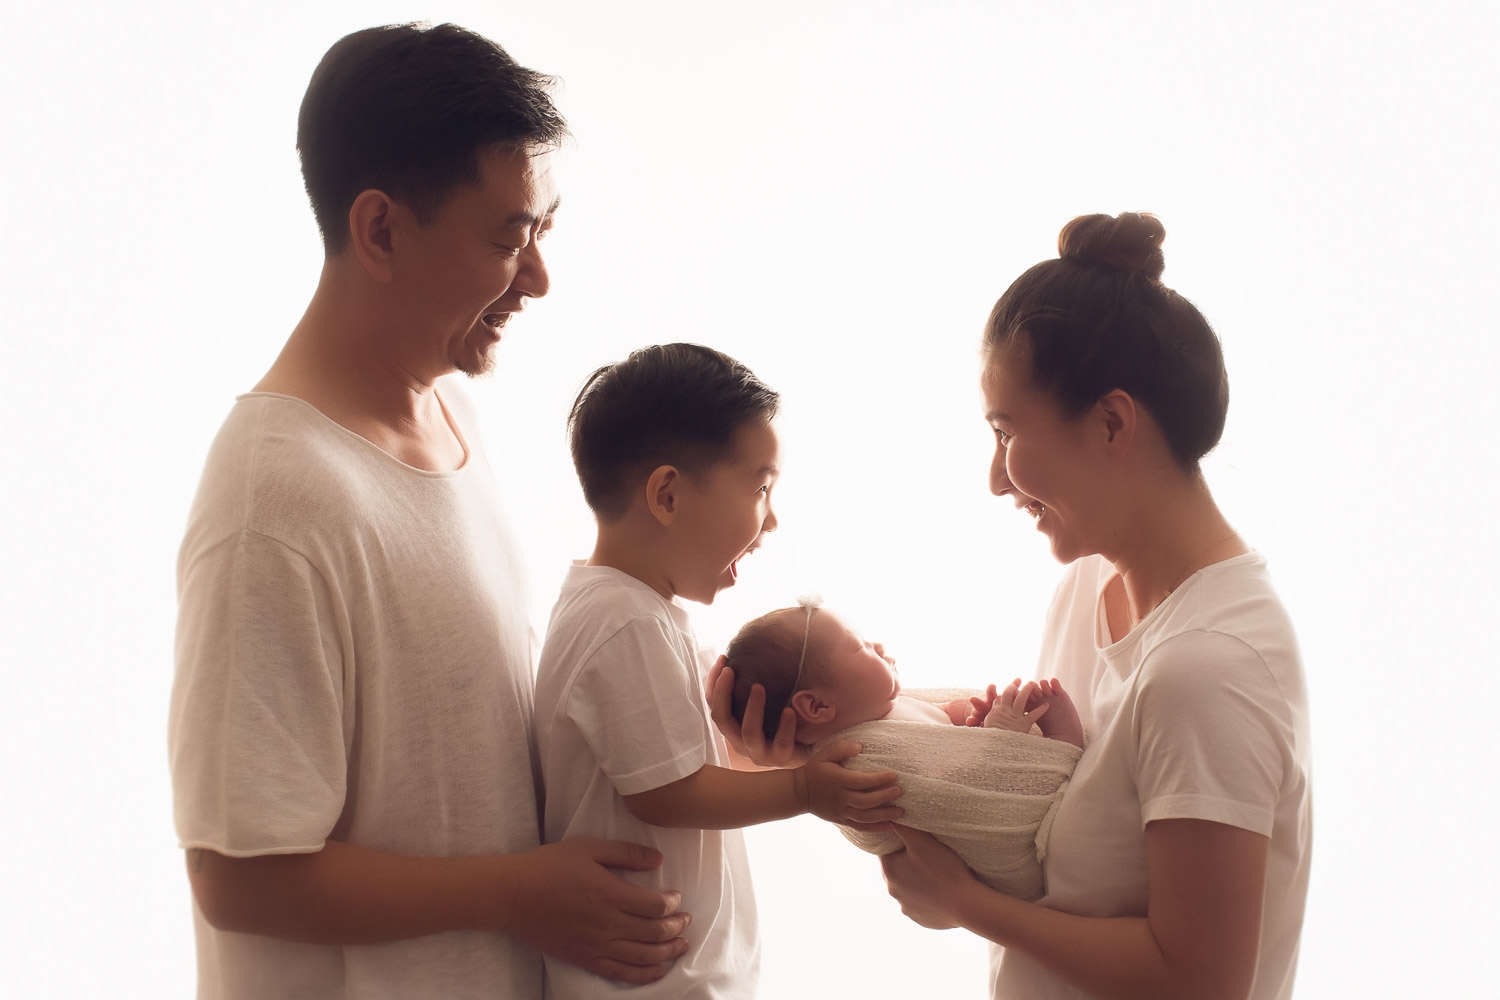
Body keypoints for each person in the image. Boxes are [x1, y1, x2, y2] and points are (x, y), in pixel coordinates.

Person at [168, 24, 690, 999]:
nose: (538, 277)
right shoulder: (272, 496)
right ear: (379, 231)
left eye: (543, 231)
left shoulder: (451, 413)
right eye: (509, 237)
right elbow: (239, 876)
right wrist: (514, 892)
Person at [878, 212, 1313, 1000]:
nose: (996, 480)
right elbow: (1042, 792)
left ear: (1113, 423)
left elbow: (1199, 982)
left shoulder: (1210, 668)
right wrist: (829, 727)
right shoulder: (1091, 586)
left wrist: (967, 905)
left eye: (1006, 433)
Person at [534, 343, 905, 999]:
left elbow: (668, 768)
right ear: (668, 495)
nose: (771, 519)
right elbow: (666, 794)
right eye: (760, 488)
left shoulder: (635, 611)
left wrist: (766, 755)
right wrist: (802, 793)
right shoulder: (626, 621)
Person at [725, 602, 1086, 748]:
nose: (878, 646)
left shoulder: (890, 708)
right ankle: (1064, 743)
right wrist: (997, 738)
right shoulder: (872, 750)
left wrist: (973, 718)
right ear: (817, 705)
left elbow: (944, 723)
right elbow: (958, 782)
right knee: (1041, 778)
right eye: (860, 647)